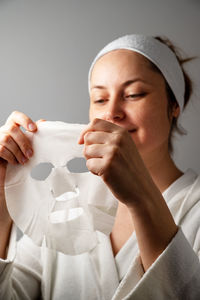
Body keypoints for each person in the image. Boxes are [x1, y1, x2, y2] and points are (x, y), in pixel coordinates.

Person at [0, 34, 200, 299]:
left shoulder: (194, 207)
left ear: (174, 105)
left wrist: (142, 198)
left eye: (133, 94)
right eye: (100, 99)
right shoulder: (61, 205)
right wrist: (3, 197)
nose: (112, 112)